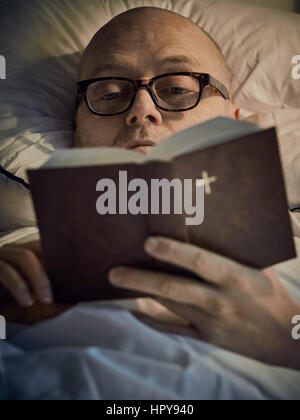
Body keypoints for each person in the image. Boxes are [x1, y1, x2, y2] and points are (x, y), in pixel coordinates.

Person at [0, 7, 299, 370]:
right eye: (110, 94)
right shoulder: (15, 257)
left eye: (176, 88)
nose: (142, 110)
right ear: (77, 127)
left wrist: (286, 342)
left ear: (232, 121)